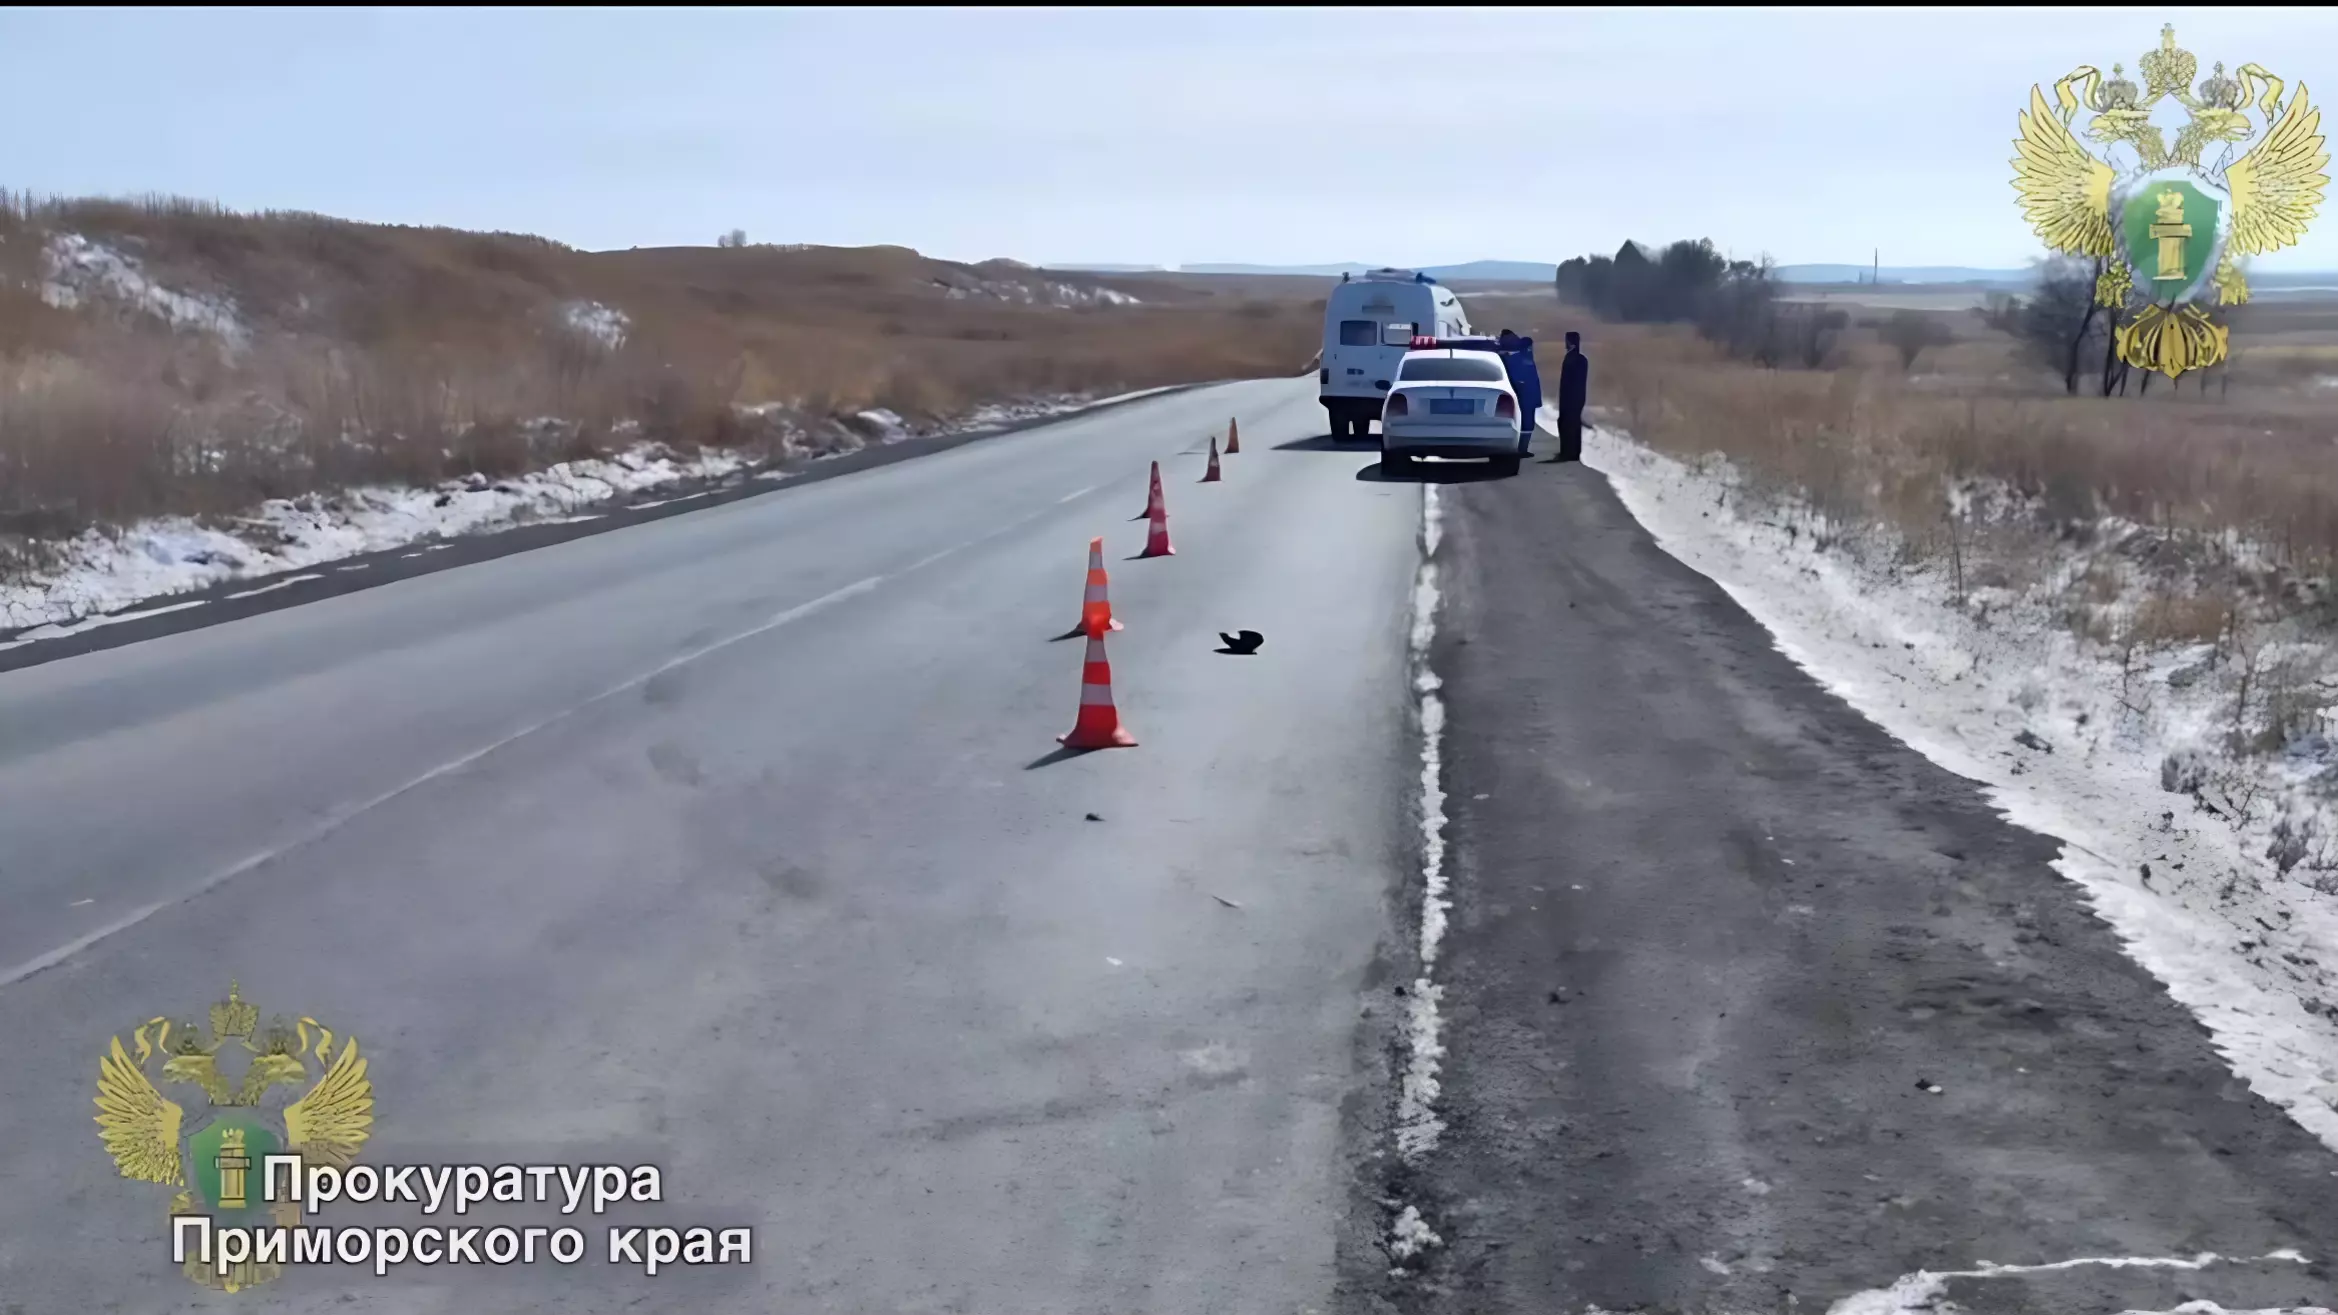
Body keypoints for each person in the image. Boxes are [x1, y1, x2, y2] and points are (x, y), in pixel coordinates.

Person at [1494, 329, 1542, 457]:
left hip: (1527, 393)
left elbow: (1527, 341)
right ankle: (1518, 449)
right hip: (1520, 393)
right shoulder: (1509, 356)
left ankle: (1521, 449)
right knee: (1521, 422)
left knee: (1526, 422)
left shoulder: (1521, 353)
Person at [1553, 331, 1589, 463]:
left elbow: (1572, 382)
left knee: (1568, 425)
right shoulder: (1579, 359)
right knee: (1572, 425)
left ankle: (1568, 453)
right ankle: (1571, 452)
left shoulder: (1573, 359)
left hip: (1571, 398)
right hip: (1575, 398)